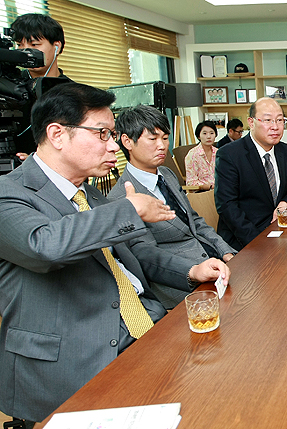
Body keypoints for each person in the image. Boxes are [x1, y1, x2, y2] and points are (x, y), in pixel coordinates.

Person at [0, 83, 229, 424]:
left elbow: (137, 255)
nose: (113, 146)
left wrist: (192, 270)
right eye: (103, 134)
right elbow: (45, 246)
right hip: (71, 358)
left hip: (144, 330)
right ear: (57, 134)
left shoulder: (90, 194)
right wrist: (128, 210)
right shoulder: (11, 193)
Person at [107, 105, 236, 309]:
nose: (162, 146)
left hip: (213, 261)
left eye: (165, 138)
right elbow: (148, 257)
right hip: (182, 285)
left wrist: (225, 250)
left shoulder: (166, 174)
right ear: (127, 142)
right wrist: (193, 271)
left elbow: (194, 221)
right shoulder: (120, 198)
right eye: (153, 139)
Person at [215, 98, 287, 250]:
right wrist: (257, 241)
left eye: (279, 120)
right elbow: (227, 206)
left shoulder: (286, 151)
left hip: (281, 230)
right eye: (267, 120)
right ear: (251, 122)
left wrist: (284, 204)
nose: (275, 127)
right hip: (245, 238)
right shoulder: (230, 154)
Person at [11, 13, 71, 161]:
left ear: (56, 46)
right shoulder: (9, 85)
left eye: (34, 45)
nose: (25, 52)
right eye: (19, 45)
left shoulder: (72, 92)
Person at [185, 121, 218, 191]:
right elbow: (190, 182)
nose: (209, 137)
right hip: (201, 193)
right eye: (205, 133)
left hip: (219, 191)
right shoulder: (192, 155)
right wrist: (208, 186)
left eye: (212, 133)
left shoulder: (218, 153)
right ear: (199, 136)